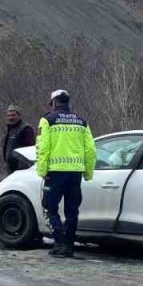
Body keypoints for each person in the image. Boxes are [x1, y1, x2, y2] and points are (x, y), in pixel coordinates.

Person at [36, 89, 96, 259]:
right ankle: (69, 246)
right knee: (72, 210)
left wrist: (42, 170)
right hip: (75, 174)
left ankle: (60, 243)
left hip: (55, 173)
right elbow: (91, 150)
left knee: (50, 208)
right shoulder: (82, 122)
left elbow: (43, 147)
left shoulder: (48, 120)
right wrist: (88, 173)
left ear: (54, 103)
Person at [2, 105, 37, 173]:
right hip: (10, 168)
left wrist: (23, 165)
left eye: (13, 115)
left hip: (21, 169)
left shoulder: (26, 129)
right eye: (9, 115)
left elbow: (31, 148)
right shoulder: (10, 128)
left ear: (19, 115)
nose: (10, 117)